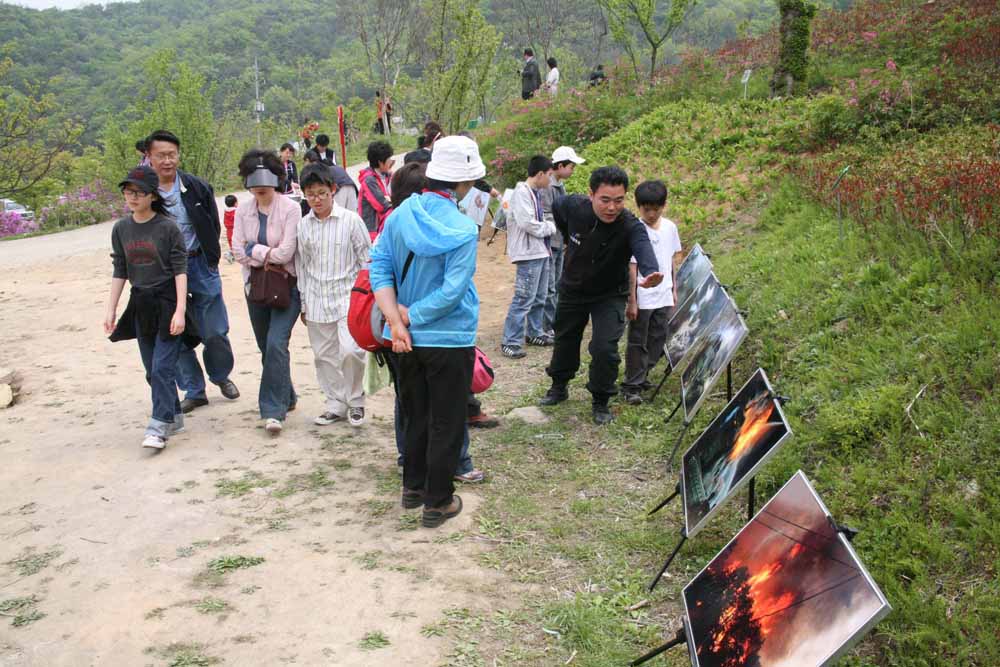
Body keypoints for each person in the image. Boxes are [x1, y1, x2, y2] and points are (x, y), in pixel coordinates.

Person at [369, 135, 485, 528]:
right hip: (449, 338)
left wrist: (397, 321)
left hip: (404, 339)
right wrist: (413, 315)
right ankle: (438, 502)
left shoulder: (400, 215)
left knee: (414, 414)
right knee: (447, 420)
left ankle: (413, 488)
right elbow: (453, 293)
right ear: (464, 183)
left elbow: (379, 268)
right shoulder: (464, 229)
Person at [539, 166, 664, 425]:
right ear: (591, 195)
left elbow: (643, 250)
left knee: (605, 347)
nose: (611, 207)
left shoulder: (630, 226)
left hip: (609, 293)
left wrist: (651, 273)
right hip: (573, 288)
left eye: (619, 200)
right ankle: (559, 385)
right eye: (605, 200)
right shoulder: (573, 206)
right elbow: (559, 214)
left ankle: (601, 399)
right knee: (565, 338)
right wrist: (567, 238)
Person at [145, 130, 239, 413]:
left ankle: (221, 375)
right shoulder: (145, 191)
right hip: (163, 272)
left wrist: (211, 259)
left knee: (215, 331)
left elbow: (213, 224)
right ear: (149, 157)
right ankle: (194, 390)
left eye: (171, 154)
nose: (167, 160)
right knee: (173, 331)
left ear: (178, 155)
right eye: (160, 155)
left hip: (198, 264)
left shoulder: (196, 187)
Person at [104, 166, 191, 449]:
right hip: (140, 302)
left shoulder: (168, 227)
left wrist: (179, 310)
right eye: (128, 192)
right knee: (151, 369)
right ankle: (174, 415)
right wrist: (111, 309)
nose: (132, 197)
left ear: (152, 195)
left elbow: (180, 270)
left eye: (138, 192)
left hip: (167, 300)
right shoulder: (121, 228)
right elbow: (120, 270)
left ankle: (158, 425)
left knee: (162, 367)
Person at [232, 149, 301, 436]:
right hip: (256, 288)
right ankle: (287, 395)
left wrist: (255, 250)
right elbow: (237, 250)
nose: (260, 186)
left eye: (266, 178)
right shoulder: (243, 210)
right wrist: (263, 254)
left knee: (275, 343)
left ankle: (273, 410)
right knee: (267, 347)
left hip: (287, 286)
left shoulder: (290, 208)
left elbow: (287, 251)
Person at [295, 164, 370, 427]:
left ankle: (356, 401)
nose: (316, 199)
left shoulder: (351, 221)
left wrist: (366, 299)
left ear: (333, 191)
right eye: (311, 194)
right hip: (316, 298)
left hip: (347, 298)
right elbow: (302, 266)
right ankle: (335, 403)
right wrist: (303, 301)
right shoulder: (303, 226)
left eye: (321, 193)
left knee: (351, 351)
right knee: (323, 356)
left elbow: (366, 261)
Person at [622, 180, 682, 405]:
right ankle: (632, 385)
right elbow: (632, 267)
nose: (651, 214)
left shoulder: (669, 227)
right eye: (646, 209)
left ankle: (642, 372)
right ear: (639, 207)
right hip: (643, 296)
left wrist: (674, 289)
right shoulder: (636, 230)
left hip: (664, 294)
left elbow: (672, 260)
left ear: (664, 205)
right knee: (638, 340)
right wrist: (632, 300)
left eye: (656, 209)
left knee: (658, 337)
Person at [501, 155, 555, 359]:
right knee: (524, 298)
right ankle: (510, 340)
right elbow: (528, 223)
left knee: (540, 296)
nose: (550, 180)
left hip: (540, 250)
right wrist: (549, 227)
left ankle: (534, 332)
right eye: (549, 175)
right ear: (540, 174)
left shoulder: (535, 192)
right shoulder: (521, 193)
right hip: (528, 253)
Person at [539, 146, 586, 338]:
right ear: (560, 165)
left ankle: (554, 320)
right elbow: (546, 213)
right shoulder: (548, 186)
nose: (572, 170)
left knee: (557, 282)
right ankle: (547, 324)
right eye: (571, 166)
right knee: (549, 285)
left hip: (559, 241)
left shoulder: (559, 185)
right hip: (551, 241)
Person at [358, 141, 394, 239]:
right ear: (380, 162)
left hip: (384, 226)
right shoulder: (369, 180)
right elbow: (382, 206)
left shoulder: (387, 175)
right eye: (389, 159)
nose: (391, 161)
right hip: (372, 231)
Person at [222, 194, 238, 261]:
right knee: (238, 243)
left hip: (229, 230)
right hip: (236, 230)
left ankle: (231, 254)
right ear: (235, 203)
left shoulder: (226, 212)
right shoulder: (236, 211)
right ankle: (231, 255)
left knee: (231, 244)